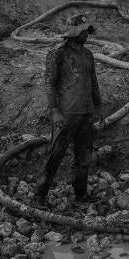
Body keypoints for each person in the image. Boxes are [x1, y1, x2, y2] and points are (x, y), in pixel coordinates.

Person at [35, 24, 103, 205]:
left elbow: (93, 81)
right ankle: (39, 196)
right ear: (73, 33)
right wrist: (55, 111)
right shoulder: (57, 54)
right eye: (83, 31)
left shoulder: (88, 54)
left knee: (84, 156)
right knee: (55, 154)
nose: (86, 34)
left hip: (86, 112)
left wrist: (98, 106)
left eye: (87, 31)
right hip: (66, 114)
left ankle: (80, 194)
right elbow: (49, 83)